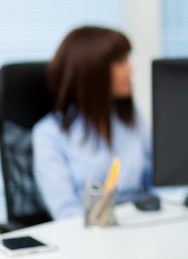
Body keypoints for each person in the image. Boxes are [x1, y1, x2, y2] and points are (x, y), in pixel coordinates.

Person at [33, 26, 151, 220]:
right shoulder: (48, 134)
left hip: (142, 226)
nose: (131, 69)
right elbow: (66, 213)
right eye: (121, 61)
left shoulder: (132, 118)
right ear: (93, 70)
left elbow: (157, 186)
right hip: (90, 235)